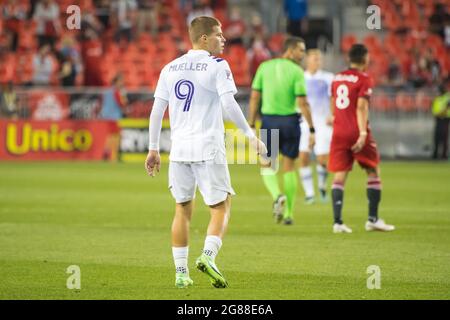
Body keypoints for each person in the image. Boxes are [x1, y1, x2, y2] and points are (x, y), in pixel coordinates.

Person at [145, 16, 266, 289]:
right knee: (221, 207)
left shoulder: (170, 67)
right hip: (208, 147)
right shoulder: (217, 65)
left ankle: (180, 274)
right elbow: (229, 103)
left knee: (182, 210)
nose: (223, 39)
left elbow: (156, 111)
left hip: (179, 150)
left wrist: (153, 148)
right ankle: (209, 256)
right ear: (204, 39)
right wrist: (250, 135)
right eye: (219, 35)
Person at [328, 44, 395, 234]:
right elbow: (361, 107)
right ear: (365, 59)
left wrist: (335, 119)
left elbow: (333, 103)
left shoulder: (337, 77)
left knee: (340, 174)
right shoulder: (364, 78)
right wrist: (363, 133)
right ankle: (373, 220)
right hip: (356, 130)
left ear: (349, 58)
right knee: (373, 169)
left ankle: (338, 222)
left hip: (339, 131)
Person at [248, 36, 315, 225]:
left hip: (269, 121)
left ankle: (277, 195)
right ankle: (289, 214)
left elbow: (254, 98)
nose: (302, 54)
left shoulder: (264, 67)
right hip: (291, 122)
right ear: (290, 50)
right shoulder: (296, 71)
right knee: (289, 167)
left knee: (267, 165)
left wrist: (251, 124)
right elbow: (302, 102)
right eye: (300, 50)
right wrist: (311, 128)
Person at [298, 49, 334, 204]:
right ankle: (309, 194)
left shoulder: (328, 78)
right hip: (304, 123)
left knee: (322, 160)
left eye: (319, 59)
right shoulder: (300, 77)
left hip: (322, 123)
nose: (317, 62)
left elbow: (333, 98)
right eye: (314, 59)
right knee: (303, 157)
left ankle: (322, 186)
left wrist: (332, 115)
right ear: (307, 61)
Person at [431, 84, 450, 160]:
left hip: (445, 119)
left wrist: (442, 112)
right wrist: (438, 113)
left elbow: (447, 107)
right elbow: (434, 109)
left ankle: (444, 155)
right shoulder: (437, 99)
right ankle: (435, 155)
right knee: (436, 137)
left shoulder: (447, 97)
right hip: (438, 119)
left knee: (444, 137)